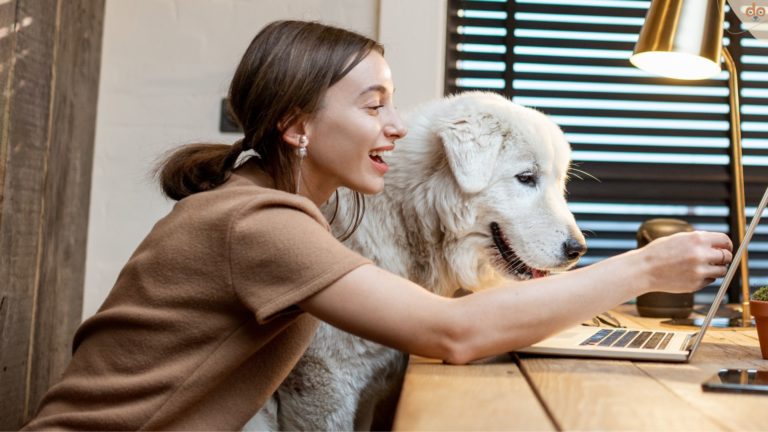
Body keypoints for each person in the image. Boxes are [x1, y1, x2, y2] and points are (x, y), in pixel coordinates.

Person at [23, 20, 733, 430]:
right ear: (296, 124)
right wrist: (641, 269)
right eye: (374, 105)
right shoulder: (260, 224)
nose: (397, 126)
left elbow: (442, 300)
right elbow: (450, 333)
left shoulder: (304, 209)